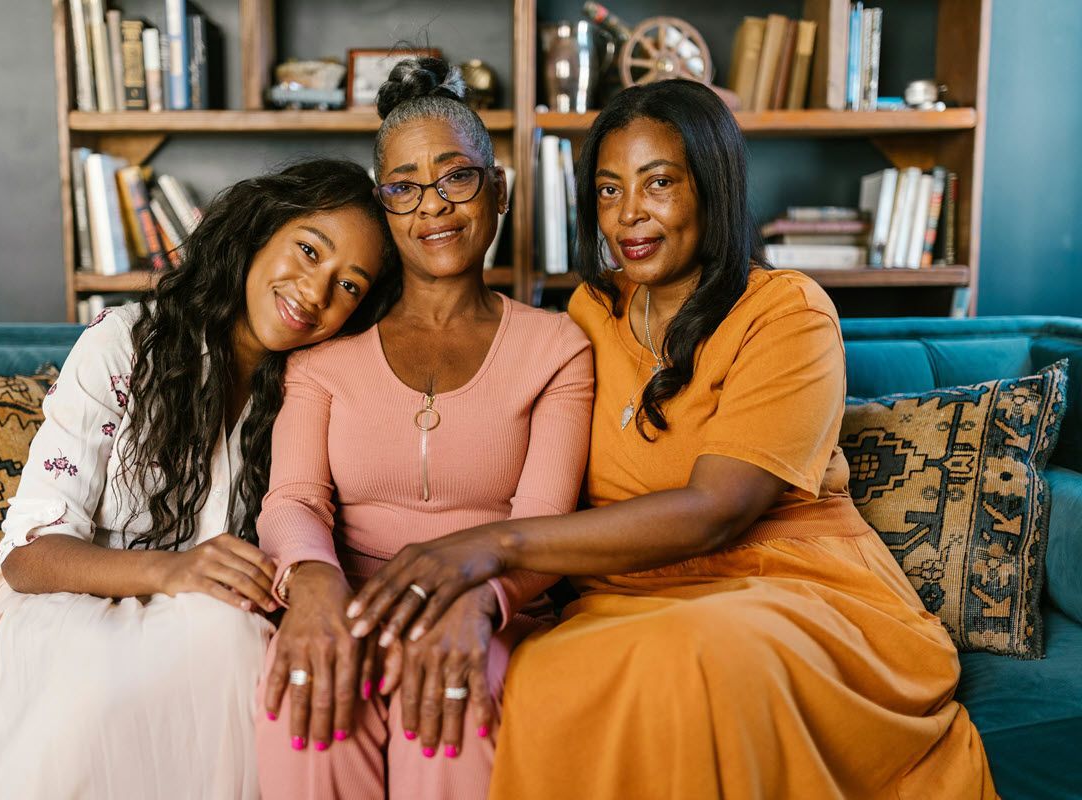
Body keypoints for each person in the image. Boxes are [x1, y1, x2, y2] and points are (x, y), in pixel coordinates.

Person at [343, 79, 998, 799]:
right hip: (622, 596)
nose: (631, 215)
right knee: (535, 673)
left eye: (660, 183)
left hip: (784, 587)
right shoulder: (588, 315)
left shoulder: (786, 311)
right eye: (609, 189)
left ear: (711, 185)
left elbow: (718, 508)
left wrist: (494, 546)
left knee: (689, 655)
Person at [0, 160, 399, 799]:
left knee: (230, 637)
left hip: (204, 624)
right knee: (202, 642)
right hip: (62, 612)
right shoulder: (126, 345)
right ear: (260, 230)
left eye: (349, 285)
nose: (316, 291)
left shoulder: (316, 390)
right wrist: (173, 572)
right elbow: (28, 557)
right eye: (308, 249)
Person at [253, 57, 593, 800]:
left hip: (485, 611)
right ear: (384, 208)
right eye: (404, 188)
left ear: (497, 190)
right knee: (305, 717)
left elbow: (544, 523)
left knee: (446, 717)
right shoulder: (322, 356)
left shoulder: (557, 346)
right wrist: (311, 586)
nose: (432, 206)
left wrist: (477, 605)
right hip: (352, 603)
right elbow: (293, 500)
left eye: (456, 177)